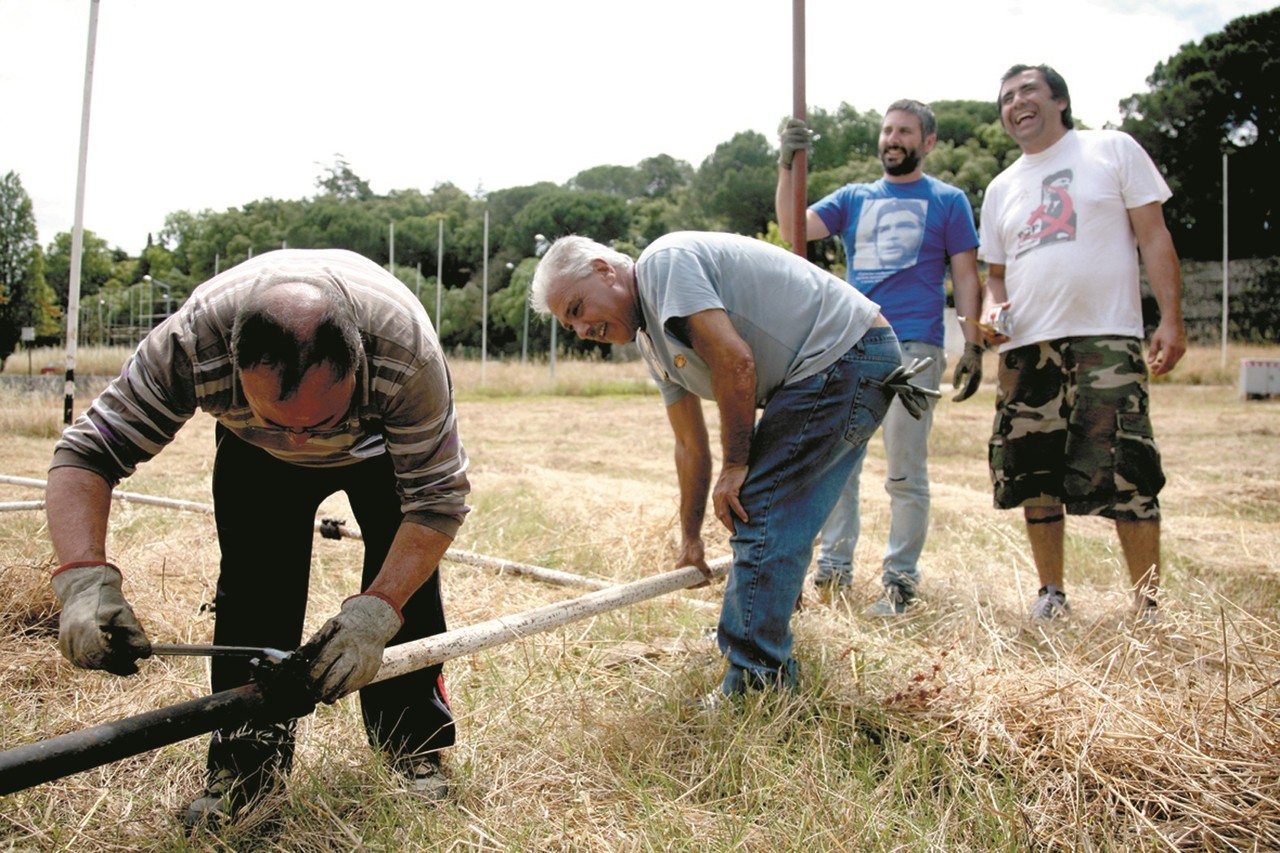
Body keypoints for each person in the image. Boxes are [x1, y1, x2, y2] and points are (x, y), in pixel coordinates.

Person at [46, 248, 471, 825]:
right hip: (251, 453)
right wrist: (82, 579)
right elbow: (87, 452)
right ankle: (245, 772)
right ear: (233, 367)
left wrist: (380, 606)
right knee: (254, 591)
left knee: (407, 598)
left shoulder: (405, 353)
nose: (299, 441)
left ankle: (412, 752)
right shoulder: (192, 344)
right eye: (279, 416)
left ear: (359, 364)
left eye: (316, 422)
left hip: (380, 454)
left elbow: (436, 500)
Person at [529, 231, 935, 700]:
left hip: (845, 354)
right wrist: (691, 537)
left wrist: (737, 465)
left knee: (759, 505)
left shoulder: (664, 264)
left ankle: (755, 682)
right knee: (764, 508)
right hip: (836, 363)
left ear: (605, 271)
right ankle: (753, 631)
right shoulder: (651, 342)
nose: (581, 330)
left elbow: (735, 361)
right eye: (569, 325)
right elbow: (689, 445)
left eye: (578, 309)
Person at [977, 64, 1186, 621]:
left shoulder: (1112, 150)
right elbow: (995, 276)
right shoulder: (1000, 188)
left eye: (1028, 91)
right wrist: (992, 313)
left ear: (1059, 101)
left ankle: (1147, 603)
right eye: (1006, 98)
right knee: (1035, 471)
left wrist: (1171, 318)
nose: (1016, 103)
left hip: (1106, 340)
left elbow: (1153, 235)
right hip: (1027, 349)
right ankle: (1052, 594)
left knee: (1127, 467)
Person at [776, 100, 984, 615]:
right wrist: (786, 164)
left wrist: (973, 340)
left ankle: (899, 581)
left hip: (915, 347)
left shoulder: (949, 201)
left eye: (905, 131)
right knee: (839, 465)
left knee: (905, 473)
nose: (893, 138)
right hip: (854, 341)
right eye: (888, 129)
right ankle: (834, 568)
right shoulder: (853, 198)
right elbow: (791, 230)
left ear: (928, 142)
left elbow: (964, 276)